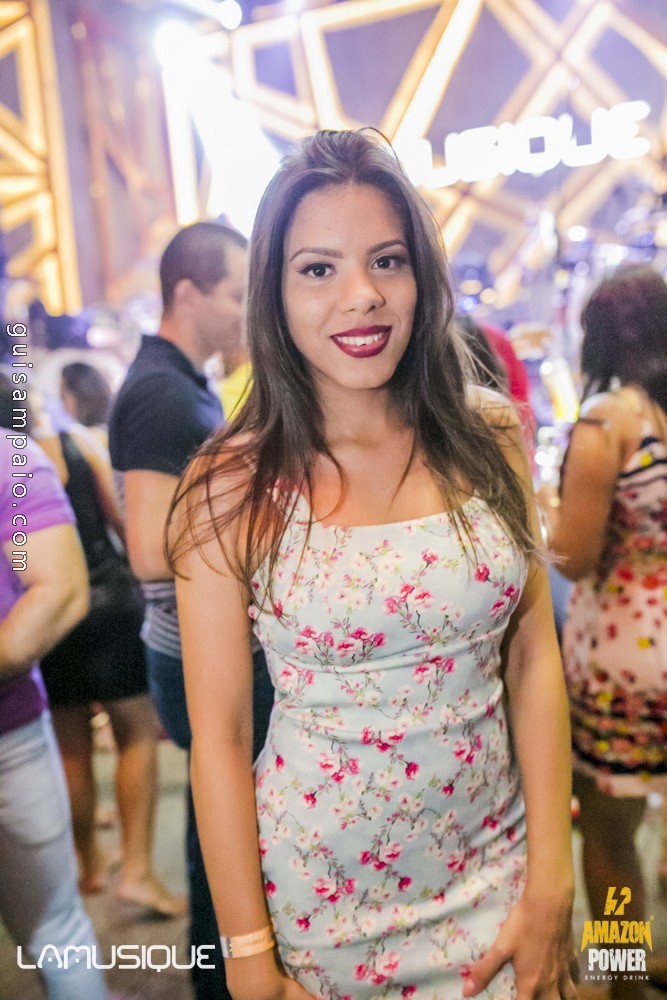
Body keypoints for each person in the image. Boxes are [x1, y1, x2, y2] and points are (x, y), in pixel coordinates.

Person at [168, 129, 576, 1000]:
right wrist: (249, 962)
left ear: (420, 276)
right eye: (317, 269)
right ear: (273, 294)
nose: (361, 295)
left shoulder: (488, 435)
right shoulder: (230, 484)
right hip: (323, 915)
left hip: (498, 878)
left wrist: (553, 877)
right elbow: (221, 741)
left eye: (386, 260)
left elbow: (532, 658)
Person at [109, 221, 273, 1000]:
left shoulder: (179, 383)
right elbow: (148, 548)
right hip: (194, 651)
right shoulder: (161, 392)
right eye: (235, 294)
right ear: (187, 292)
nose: (245, 312)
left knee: (219, 832)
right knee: (224, 833)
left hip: (196, 646)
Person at [1, 377, 185, 917]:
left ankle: (89, 864)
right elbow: (120, 521)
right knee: (136, 735)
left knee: (70, 750)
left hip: (39, 623)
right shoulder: (76, 445)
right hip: (106, 606)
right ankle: (138, 870)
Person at [542, 263, 667, 1000]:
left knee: (610, 832)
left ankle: (623, 982)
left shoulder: (604, 425)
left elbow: (576, 556)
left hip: (625, 656)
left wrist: (541, 515)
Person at [0, 431, 107, 999]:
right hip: (14, 726)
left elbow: (61, 592)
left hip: (12, 725)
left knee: (57, 929)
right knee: (58, 930)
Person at [60, 361, 113, 447]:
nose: (63, 406)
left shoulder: (92, 437)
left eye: (63, 397)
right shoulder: (109, 428)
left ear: (81, 394)